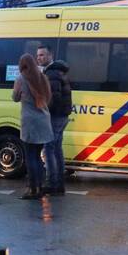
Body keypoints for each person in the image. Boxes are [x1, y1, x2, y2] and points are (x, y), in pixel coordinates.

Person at [13, 54, 54, 199]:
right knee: (37, 155)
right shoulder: (43, 78)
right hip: (44, 120)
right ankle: (40, 186)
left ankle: (33, 189)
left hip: (30, 122)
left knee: (30, 157)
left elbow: (15, 97)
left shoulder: (21, 79)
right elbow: (48, 98)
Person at [37, 45, 71, 195]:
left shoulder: (52, 74)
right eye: (38, 55)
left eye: (42, 55)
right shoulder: (59, 71)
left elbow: (53, 97)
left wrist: (45, 111)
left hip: (54, 116)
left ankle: (52, 183)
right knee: (57, 149)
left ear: (50, 55)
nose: (39, 58)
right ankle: (59, 184)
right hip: (62, 115)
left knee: (49, 149)